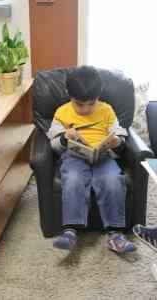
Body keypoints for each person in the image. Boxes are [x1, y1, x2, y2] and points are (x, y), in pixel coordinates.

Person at [46, 66, 136, 253]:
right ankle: (70, 231)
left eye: (91, 103)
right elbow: (53, 144)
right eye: (79, 104)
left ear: (98, 96)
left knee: (112, 180)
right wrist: (64, 138)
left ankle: (115, 234)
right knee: (73, 179)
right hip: (73, 157)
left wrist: (116, 141)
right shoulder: (61, 112)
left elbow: (120, 136)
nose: (86, 109)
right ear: (69, 95)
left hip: (103, 156)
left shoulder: (107, 110)